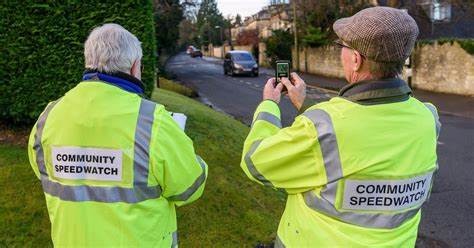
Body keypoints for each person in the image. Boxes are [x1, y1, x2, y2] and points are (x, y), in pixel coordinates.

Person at [240, 7, 441, 247]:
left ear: (356, 59)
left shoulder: (323, 126)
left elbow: (255, 162)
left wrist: (269, 105)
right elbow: (359, 143)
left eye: (341, 47)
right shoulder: (428, 118)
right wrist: (306, 106)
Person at [27, 23, 207, 247]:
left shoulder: (48, 117)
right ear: (134, 67)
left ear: (89, 61)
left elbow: (43, 172)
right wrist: (190, 157)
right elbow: (190, 187)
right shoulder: (153, 123)